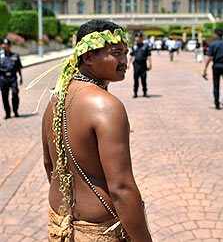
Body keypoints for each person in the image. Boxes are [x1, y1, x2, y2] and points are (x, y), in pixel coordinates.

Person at [42, 20, 152, 242]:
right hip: (99, 232)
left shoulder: (56, 98)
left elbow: (49, 165)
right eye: (116, 53)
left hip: (60, 225)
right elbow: (121, 189)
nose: (125, 61)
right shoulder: (106, 106)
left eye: (126, 53)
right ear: (88, 57)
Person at [203, 28, 223, 110]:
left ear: (216, 35)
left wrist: (205, 68)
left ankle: (217, 103)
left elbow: (210, 57)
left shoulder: (213, 44)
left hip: (216, 66)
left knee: (216, 85)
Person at [0, 39, 23, 119]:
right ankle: (8, 113)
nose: (4, 46)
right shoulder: (0, 56)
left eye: (6, 44)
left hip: (13, 77)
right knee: (4, 96)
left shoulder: (15, 55)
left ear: (9, 46)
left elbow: (19, 67)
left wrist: (21, 77)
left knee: (15, 93)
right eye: (3, 44)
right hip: (3, 78)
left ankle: (15, 110)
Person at [128, 33, 152, 98]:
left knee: (143, 79)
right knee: (135, 79)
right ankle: (135, 92)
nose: (137, 38)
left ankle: (145, 92)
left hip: (143, 65)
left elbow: (149, 55)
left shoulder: (146, 46)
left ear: (141, 38)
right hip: (136, 65)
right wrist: (128, 63)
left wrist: (150, 64)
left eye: (139, 37)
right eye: (136, 37)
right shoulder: (134, 46)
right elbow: (131, 54)